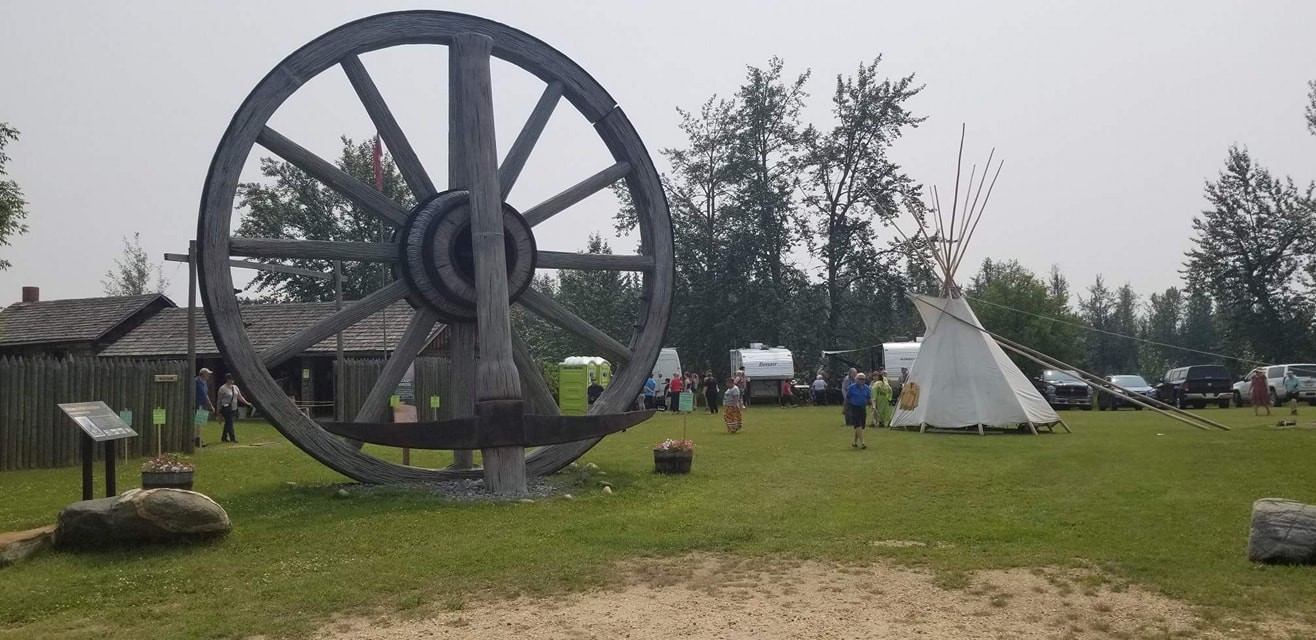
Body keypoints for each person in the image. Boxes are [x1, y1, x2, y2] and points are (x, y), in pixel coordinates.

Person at [217, 373, 252, 443]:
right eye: (231, 379)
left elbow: (240, 397)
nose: (233, 380)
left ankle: (224, 437)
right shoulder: (222, 388)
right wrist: (218, 412)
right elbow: (219, 400)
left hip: (233, 408)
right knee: (230, 423)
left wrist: (247, 403)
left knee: (228, 423)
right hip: (226, 408)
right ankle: (233, 438)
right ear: (227, 379)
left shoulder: (235, 387)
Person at [847, 372, 871, 448]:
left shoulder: (867, 388)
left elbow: (869, 397)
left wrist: (872, 405)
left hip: (863, 407)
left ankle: (854, 442)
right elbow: (848, 397)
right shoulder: (852, 387)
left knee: (862, 426)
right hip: (854, 407)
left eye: (863, 379)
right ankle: (863, 442)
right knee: (858, 424)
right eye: (860, 379)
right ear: (856, 379)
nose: (862, 380)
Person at [194, 368, 215, 447]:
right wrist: (210, 405)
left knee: (201, 423)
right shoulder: (197, 382)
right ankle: (197, 440)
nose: (209, 375)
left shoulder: (205, 382)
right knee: (198, 424)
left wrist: (211, 406)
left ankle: (200, 439)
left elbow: (206, 395)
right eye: (208, 374)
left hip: (203, 405)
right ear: (203, 374)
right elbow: (203, 395)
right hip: (198, 404)